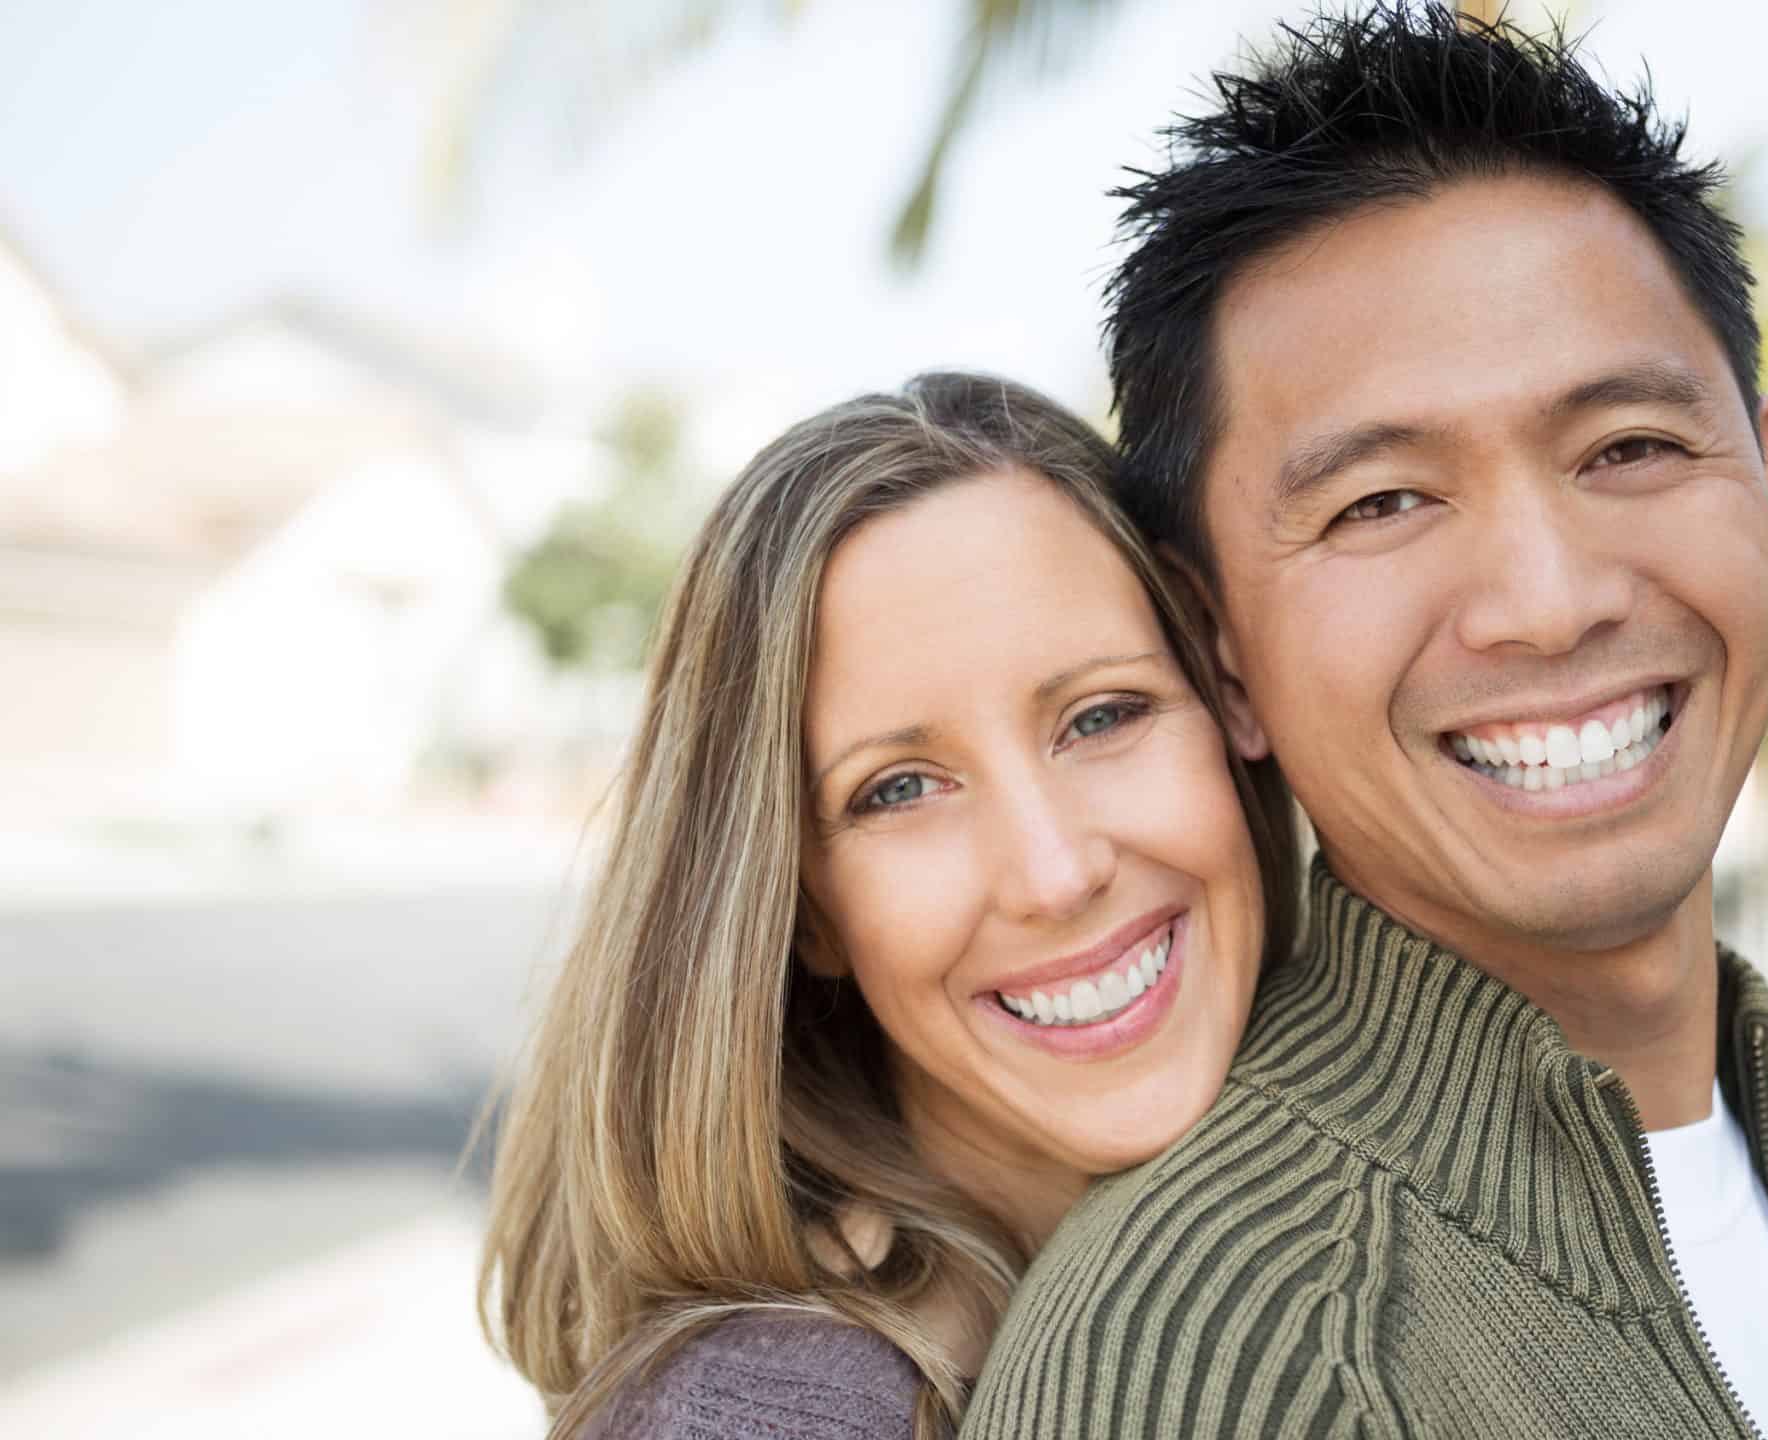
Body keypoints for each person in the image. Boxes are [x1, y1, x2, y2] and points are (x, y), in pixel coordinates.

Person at [962, 8, 1768, 1438]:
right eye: (1383, 503)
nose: (1547, 605)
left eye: (1630, 448)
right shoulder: (1215, 1360)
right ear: (1218, 642)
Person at [479, 372, 1300, 1439]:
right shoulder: (774, 1413)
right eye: (898, 790)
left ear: (1224, 691)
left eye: (1102, 716)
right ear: (802, 910)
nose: (1054, 873)